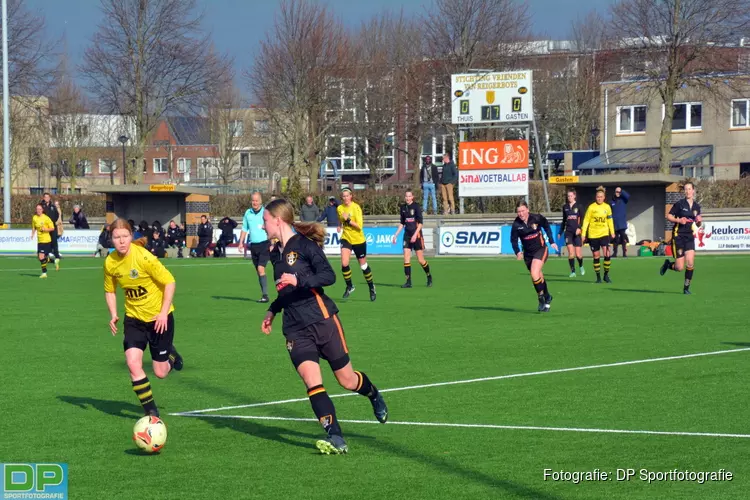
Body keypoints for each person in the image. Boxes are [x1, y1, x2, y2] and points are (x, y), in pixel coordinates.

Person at [260, 199, 388, 454]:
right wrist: (273, 310)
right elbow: (285, 290)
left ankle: (373, 394)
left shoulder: (305, 246)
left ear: (277, 219)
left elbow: (328, 276)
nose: (262, 226)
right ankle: (336, 436)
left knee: (347, 380)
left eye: (265, 221)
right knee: (312, 382)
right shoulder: (274, 253)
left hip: (323, 320)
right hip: (295, 329)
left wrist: (299, 279)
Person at [103, 219, 183, 418]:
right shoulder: (110, 262)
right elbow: (110, 290)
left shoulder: (144, 258)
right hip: (134, 319)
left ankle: (172, 355)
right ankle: (151, 414)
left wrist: (163, 312)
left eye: (124, 236)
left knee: (161, 372)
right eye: (116, 237)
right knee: (132, 363)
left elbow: (170, 282)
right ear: (111, 239)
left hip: (159, 319)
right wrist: (113, 314)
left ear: (131, 236)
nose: (121, 241)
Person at [510, 201, 558, 312]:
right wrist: (517, 252)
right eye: (518, 212)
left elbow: (546, 226)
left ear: (527, 210)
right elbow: (513, 240)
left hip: (541, 249)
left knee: (534, 272)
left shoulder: (536, 218)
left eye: (522, 211)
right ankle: (547, 296)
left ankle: (541, 299)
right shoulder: (516, 225)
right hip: (528, 254)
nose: (521, 214)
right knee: (538, 276)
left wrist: (551, 241)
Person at [660, 181, 701, 294]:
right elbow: (668, 215)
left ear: (693, 191)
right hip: (678, 236)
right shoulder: (680, 204)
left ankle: (686, 288)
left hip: (689, 236)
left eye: (689, 189)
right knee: (679, 267)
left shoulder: (697, 206)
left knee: (691, 263)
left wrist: (699, 222)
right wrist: (678, 220)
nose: (687, 191)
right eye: (685, 189)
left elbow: (697, 223)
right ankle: (668, 264)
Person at [337, 188, 375, 301]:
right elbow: (340, 218)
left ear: (351, 196)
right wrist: (340, 225)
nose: (345, 198)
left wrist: (348, 220)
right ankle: (349, 286)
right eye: (343, 196)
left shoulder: (356, 208)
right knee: (344, 263)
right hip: (346, 238)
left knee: (363, 266)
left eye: (347, 196)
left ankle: (371, 287)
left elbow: (359, 226)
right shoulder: (339, 208)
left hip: (358, 240)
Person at [392, 190, 432, 288]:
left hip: (417, 235)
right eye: (406, 196)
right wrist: (395, 235)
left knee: (420, 260)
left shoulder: (416, 207)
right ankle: (408, 282)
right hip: (407, 235)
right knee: (406, 257)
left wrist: (415, 234)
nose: (407, 198)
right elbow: (402, 223)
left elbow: (421, 223)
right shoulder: (403, 207)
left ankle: (429, 276)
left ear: (412, 197)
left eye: (409, 196)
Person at [239, 192, 272, 302]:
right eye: (253, 200)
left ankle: (266, 295)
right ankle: (264, 294)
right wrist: (240, 243)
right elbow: (244, 228)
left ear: (261, 201)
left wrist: (271, 241)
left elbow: (273, 225)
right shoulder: (248, 213)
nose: (255, 202)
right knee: (259, 271)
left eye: (256, 200)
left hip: (264, 244)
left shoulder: (266, 212)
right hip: (254, 246)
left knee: (261, 268)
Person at [581, 186, 615, 283]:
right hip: (593, 235)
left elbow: (610, 220)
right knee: (596, 256)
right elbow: (586, 221)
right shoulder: (591, 207)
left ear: (604, 197)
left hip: (604, 233)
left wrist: (612, 232)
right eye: (598, 197)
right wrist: (583, 234)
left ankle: (606, 275)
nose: (599, 198)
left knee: (607, 253)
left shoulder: (607, 207)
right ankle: (598, 277)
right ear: (596, 197)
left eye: (601, 197)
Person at [559, 188, 585, 277]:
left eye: (571, 196)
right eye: (568, 196)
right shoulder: (565, 207)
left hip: (577, 233)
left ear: (574, 196)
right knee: (571, 253)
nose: (569, 197)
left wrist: (579, 228)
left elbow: (582, 219)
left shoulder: (579, 206)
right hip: (568, 233)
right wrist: (560, 232)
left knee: (578, 254)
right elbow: (564, 220)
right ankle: (573, 271)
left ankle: (581, 266)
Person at [31, 204, 58, 278]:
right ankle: (52, 261)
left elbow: (52, 228)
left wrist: (46, 229)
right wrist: (32, 234)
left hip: (46, 240)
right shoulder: (34, 217)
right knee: (40, 257)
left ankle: (44, 273)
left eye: (40, 209)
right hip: (40, 241)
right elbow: (34, 227)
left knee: (41, 257)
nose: (38, 210)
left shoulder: (46, 218)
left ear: (42, 210)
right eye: (37, 209)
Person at [610, 186, 630, 258]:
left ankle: (624, 253)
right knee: (615, 240)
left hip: (622, 224)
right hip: (615, 224)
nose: (617, 193)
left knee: (623, 239)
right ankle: (615, 253)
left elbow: (628, 196)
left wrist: (621, 190)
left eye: (619, 192)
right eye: (616, 192)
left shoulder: (623, 200)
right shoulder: (612, 201)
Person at [41, 193, 61, 260]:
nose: (47, 198)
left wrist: (53, 222)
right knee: (46, 241)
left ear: (49, 198)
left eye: (48, 197)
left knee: (54, 241)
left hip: (52, 227)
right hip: (45, 227)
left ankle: (56, 254)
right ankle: (46, 255)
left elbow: (57, 215)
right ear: (43, 198)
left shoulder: (52, 206)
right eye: (45, 197)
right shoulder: (41, 206)